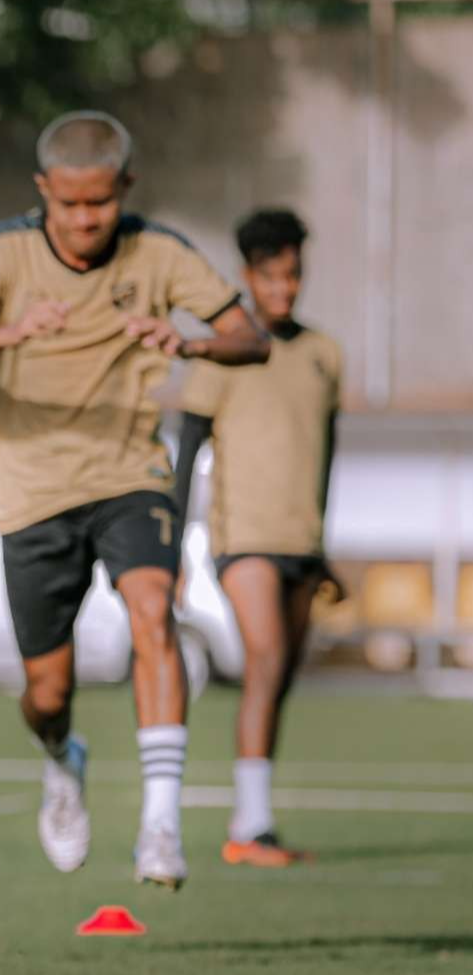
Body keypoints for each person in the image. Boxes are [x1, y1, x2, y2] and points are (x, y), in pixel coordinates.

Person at [0, 111, 270, 890]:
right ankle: (60, 758)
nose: (85, 220)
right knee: (47, 693)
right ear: (44, 190)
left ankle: (159, 828)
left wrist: (190, 342)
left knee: (154, 612)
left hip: (128, 475)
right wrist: (8, 334)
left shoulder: (160, 253)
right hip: (30, 490)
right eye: (70, 205)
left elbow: (251, 337)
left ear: (127, 189)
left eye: (101, 204)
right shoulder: (3, 253)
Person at [173, 209, 341, 868]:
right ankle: (249, 828)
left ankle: (258, 815)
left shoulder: (326, 355)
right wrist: (171, 550)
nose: (285, 289)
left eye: (293, 275)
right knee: (264, 661)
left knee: (283, 676)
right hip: (242, 538)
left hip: (302, 539)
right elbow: (185, 455)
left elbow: (328, 454)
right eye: (272, 277)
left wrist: (324, 545)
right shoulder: (223, 354)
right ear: (248, 277)